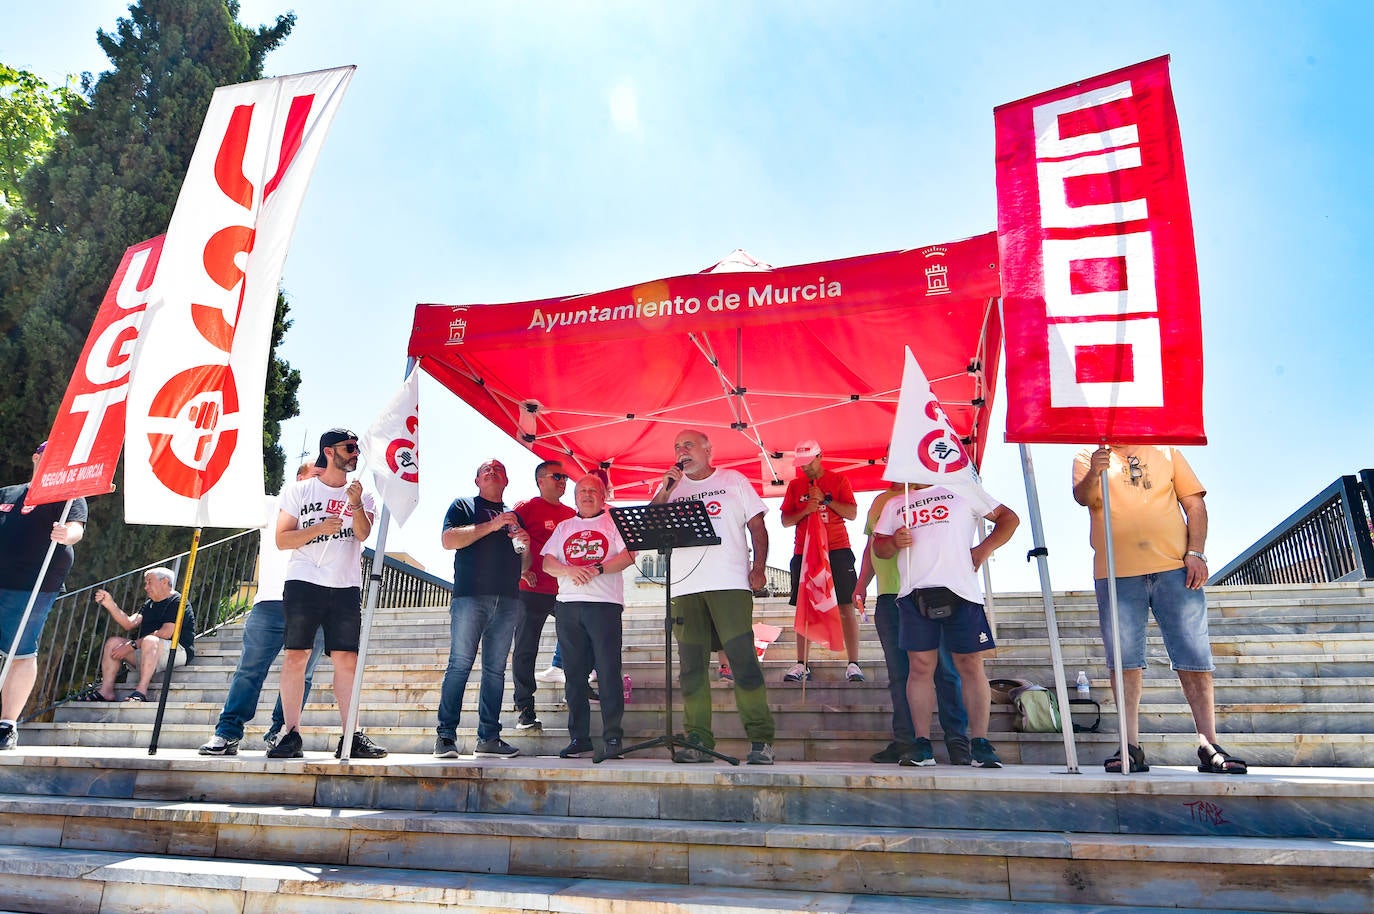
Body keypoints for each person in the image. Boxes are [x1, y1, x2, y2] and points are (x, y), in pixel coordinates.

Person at [1072, 444, 1246, 775]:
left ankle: (1209, 743)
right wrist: (1095, 469)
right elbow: (1083, 498)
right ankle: (1130, 745)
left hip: (1174, 569)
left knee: (1193, 656)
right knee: (1124, 661)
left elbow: (1194, 504)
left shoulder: (1166, 449)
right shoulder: (1088, 454)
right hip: (1116, 571)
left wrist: (1197, 552)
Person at [652, 429, 775, 765]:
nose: (681, 451)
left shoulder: (733, 480)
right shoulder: (670, 487)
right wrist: (666, 488)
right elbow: (650, 524)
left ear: (708, 450)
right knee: (691, 668)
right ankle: (697, 739)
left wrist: (759, 567)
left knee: (742, 660)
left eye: (688, 445)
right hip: (682, 588)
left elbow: (758, 527)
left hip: (729, 583)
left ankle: (761, 739)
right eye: (676, 446)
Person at [873, 482, 1018, 768]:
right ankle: (922, 744)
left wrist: (983, 549)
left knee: (970, 664)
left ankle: (980, 743)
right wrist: (892, 543)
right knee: (920, 667)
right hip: (914, 593)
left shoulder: (963, 487)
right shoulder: (894, 502)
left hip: (962, 591)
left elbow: (1008, 518)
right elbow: (879, 547)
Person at [270, 428, 386, 761]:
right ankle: (290, 733)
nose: (355, 453)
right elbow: (282, 540)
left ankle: (352, 734)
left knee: (346, 660)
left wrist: (355, 505)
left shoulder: (363, 495)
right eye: (349, 447)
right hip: (304, 582)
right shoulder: (300, 490)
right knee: (296, 656)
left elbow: (362, 534)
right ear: (329, 451)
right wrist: (318, 528)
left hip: (346, 585)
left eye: (357, 448)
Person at [198, 462, 327, 756]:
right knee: (249, 670)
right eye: (315, 476)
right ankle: (227, 733)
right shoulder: (272, 504)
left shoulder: (330, 512)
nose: (321, 482)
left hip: (314, 605)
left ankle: (282, 732)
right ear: (299, 479)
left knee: (302, 674)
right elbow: (228, 497)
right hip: (270, 602)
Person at [855, 481, 970, 764]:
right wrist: (861, 583)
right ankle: (906, 741)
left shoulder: (941, 494)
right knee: (899, 673)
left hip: (928, 593)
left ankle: (957, 740)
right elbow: (872, 545)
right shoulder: (883, 501)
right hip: (888, 596)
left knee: (944, 669)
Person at [434, 458, 531, 759]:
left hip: (508, 599)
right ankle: (445, 737)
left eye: (498, 469)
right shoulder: (462, 505)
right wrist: (492, 525)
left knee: (495, 670)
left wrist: (525, 545)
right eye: (485, 470)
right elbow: (448, 540)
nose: (491, 471)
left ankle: (489, 737)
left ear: (506, 480)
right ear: (477, 481)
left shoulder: (515, 517)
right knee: (459, 664)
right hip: (470, 596)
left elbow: (523, 565)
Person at [0, 441, 88, 749]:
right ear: (36, 457)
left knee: (21, 651)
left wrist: (68, 534)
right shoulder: (8, 493)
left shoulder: (68, 497)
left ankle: (6, 724)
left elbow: (77, 527)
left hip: (33, 586)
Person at [542, 474, 636, 762]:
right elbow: (547, 562)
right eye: (581, 490)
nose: (586, 494)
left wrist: (596, 569)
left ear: (603, 495)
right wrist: (569, 571)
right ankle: (579, 738)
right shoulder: (564, 526)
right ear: (574, 496)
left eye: (593, 490)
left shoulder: (614, 522)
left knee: (608, 672)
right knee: (574, 676)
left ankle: (612, 737)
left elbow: (630, 554)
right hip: (568, 606)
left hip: (604, 605)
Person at [780, 439, 863, 683]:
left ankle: (853, 663)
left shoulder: (839, 481)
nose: (804, 468)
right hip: (805, 552)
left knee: (846, 606)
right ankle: (801, 663)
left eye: (808, 462)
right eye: (801, 464)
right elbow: (785, 520)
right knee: (804, 606)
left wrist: (826, 500)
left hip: (836, 549)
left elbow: (852, 513)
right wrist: (806, 509)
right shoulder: (795, 486)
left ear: (820, 457)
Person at [511, 460, 576, 730]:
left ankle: (578, 690)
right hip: (532, 588)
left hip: (566, 591)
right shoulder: (525, 508)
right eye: (557, 476)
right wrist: (519, 570)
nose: (563, 481)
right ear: (540, 480)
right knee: (526, 648)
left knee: (578, 642)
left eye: (565, 478)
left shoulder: (572, 513)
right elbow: (510, 537)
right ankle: (525, 706)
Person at [89, 567, 196, 703]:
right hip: (150, 650)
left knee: (151, 640)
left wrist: (131, 646)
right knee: (113, 643)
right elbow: (130, 623)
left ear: (164, 582)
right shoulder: (149, 604)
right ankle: (106, 691)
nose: (146, 587)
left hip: (177, 652)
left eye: (149, 582)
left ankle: (141, 692)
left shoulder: (178, 601)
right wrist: (110, 604)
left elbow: (165, 632)